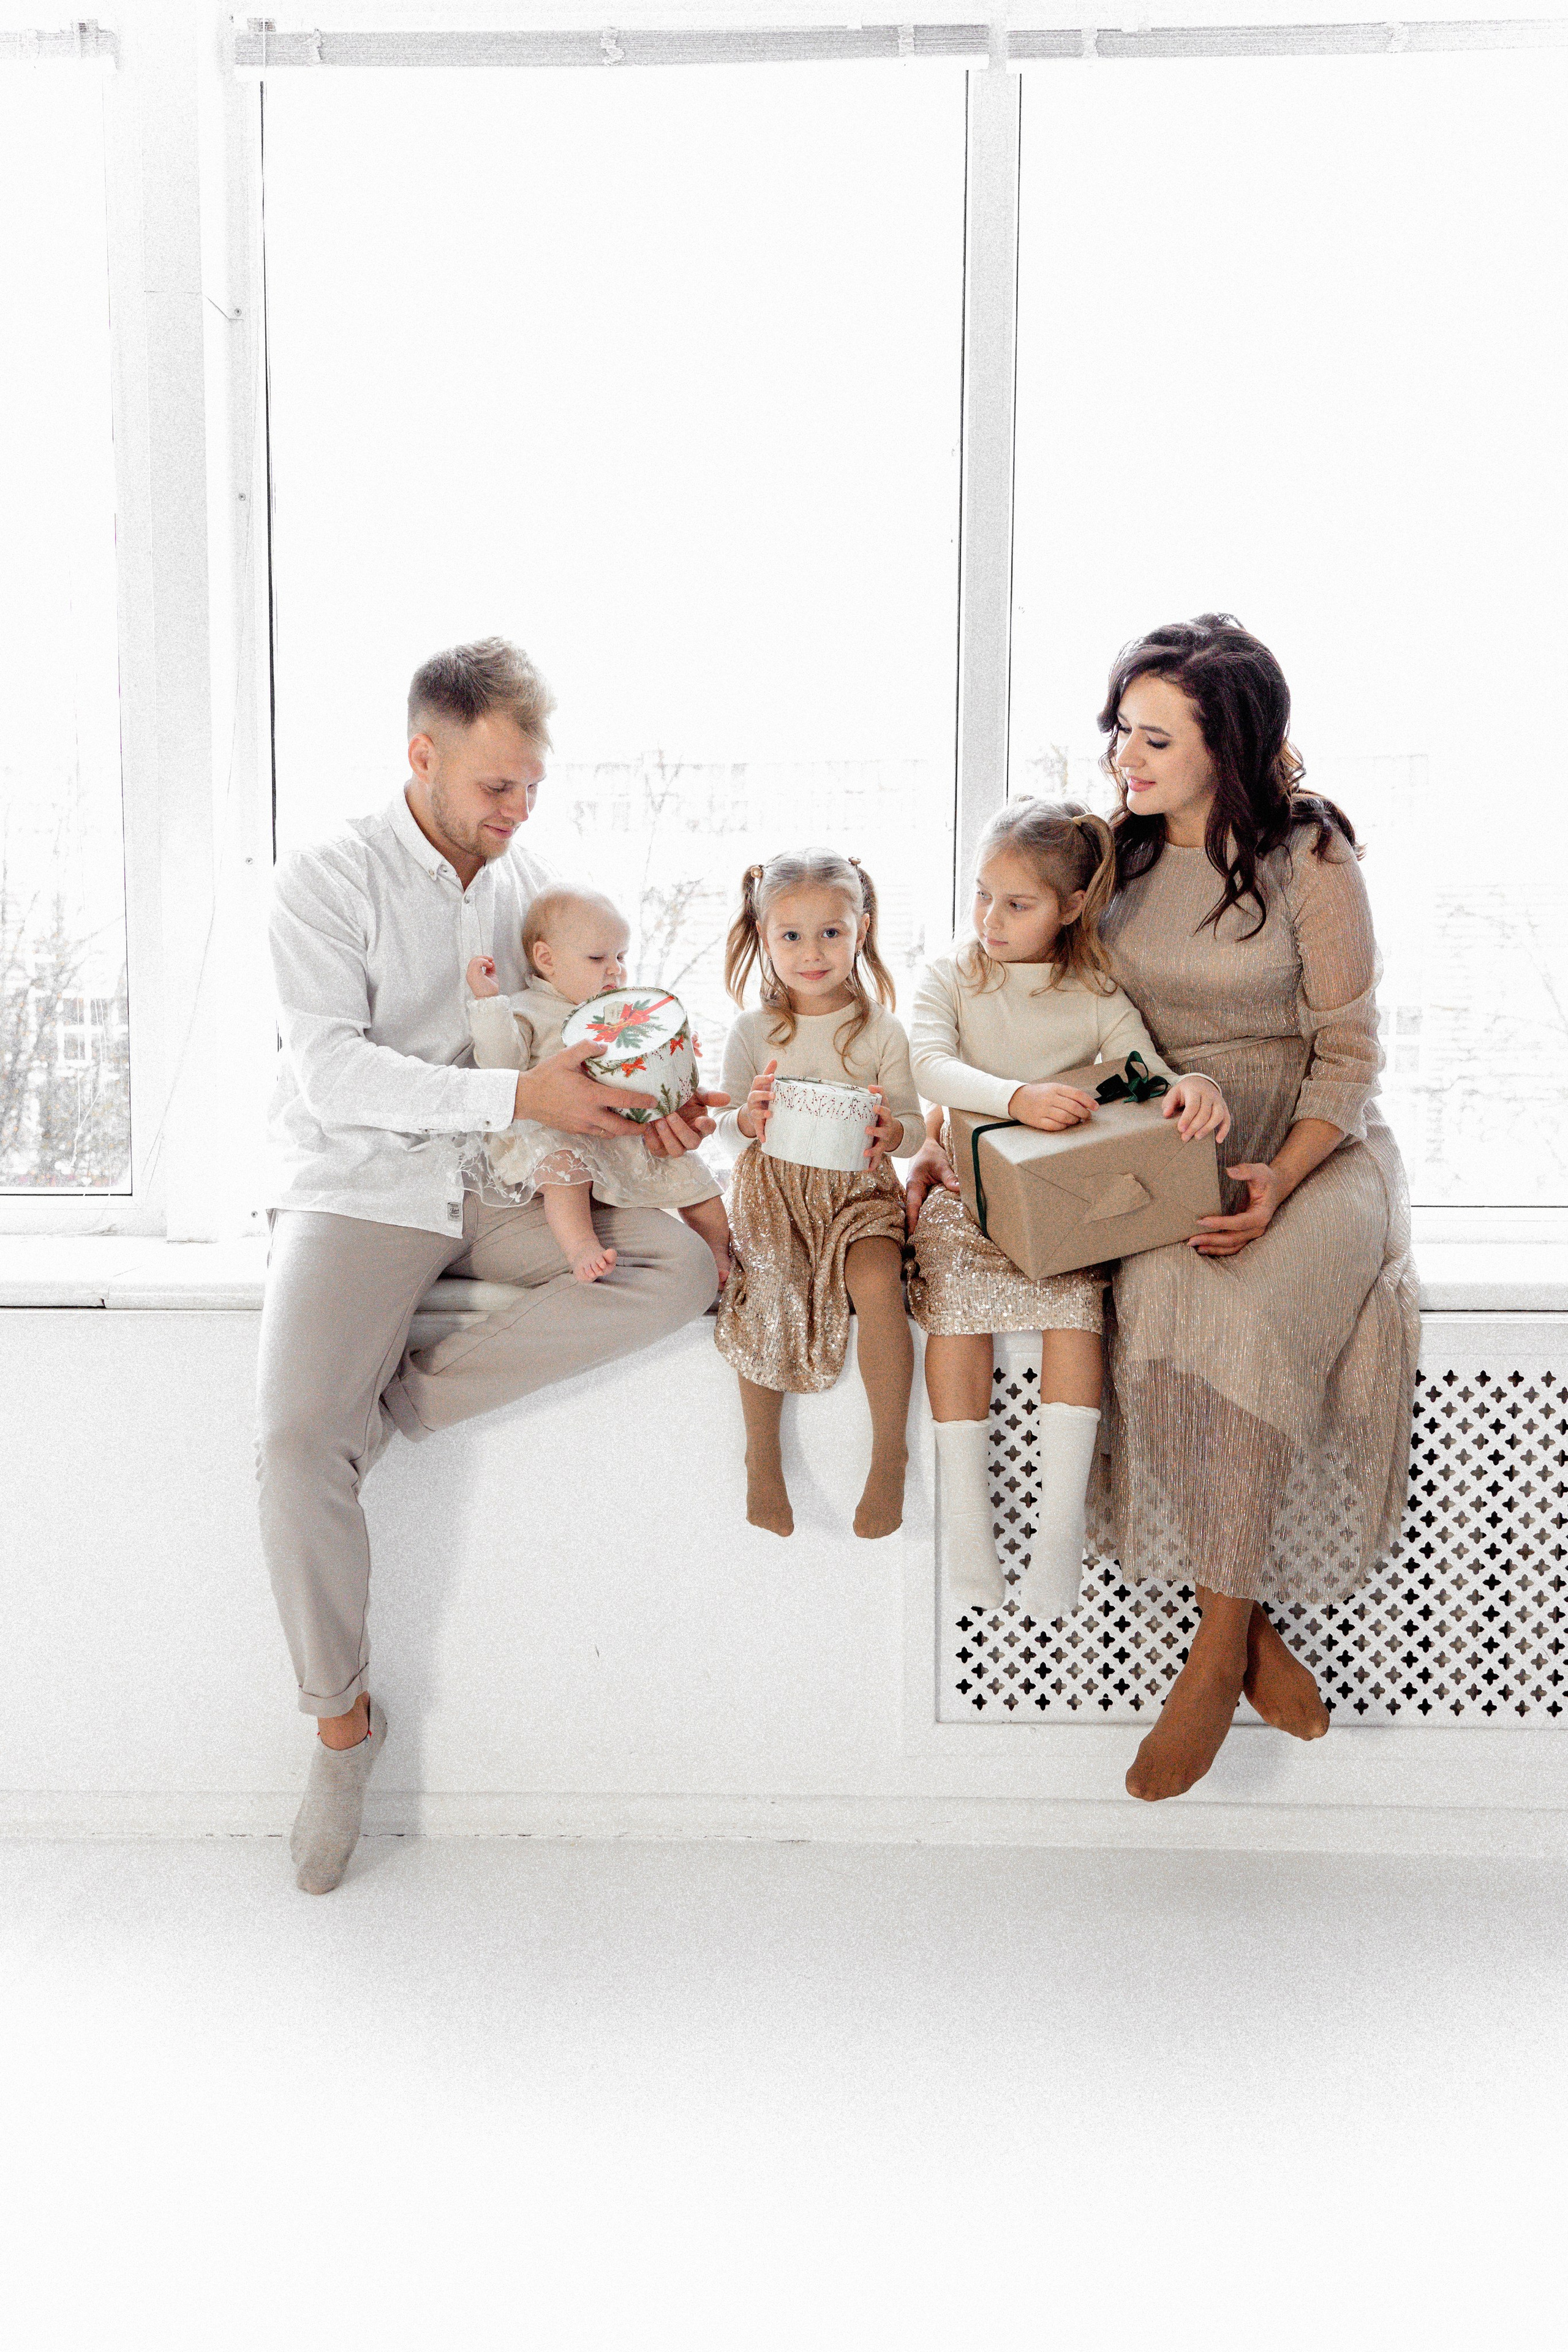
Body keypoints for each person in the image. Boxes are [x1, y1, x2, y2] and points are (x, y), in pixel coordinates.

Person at [906, 614, 1418, 1803]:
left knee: (1242, 1313)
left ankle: (1211, 1651)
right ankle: (1239, 1627)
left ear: (1222, 745)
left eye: (1149, 736)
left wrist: (1276, 1180)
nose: (1120, 760)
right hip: (1150, 1141)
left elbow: (1347, 1059)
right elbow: (1002, 989)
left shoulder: (1310, 855)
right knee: (1166, 1302)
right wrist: (952, 1136)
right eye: (1117, 732)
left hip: (1307, 1146)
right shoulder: (1108, 852)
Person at [255, 638, 724, 1894]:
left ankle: (399, 1403)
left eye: (529, 788)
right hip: (366, 1184)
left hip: (518, 1177)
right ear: (423, 757)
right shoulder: (328, 877)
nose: (516, 814)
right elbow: (329, 1073)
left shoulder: (535, 893)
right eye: (493, 789)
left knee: (678, 1274)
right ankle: (342, 1726)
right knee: (297, 1444)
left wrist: (650, 1107)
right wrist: (516, 1090)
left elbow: (593, 1041)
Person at [907, 799, 1228, 1623]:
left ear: (1073, 905)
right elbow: (931, 1067)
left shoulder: (1090, 988)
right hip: (968, 1197)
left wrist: (1192, 1087)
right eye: (982, 895)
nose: (990, 919)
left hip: (1059, 1209)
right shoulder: (952, 974)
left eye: (1017, 904)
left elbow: (1143, 1070)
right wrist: (1017, 1097)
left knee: (1079, 1311)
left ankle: (1058, 1535)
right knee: (956, 1315)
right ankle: (966, 1522)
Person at [714, 849, 923, 1541]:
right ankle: (760, 1457)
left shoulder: (881, 1030)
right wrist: (747, 1118)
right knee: (768, 1285)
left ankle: (887, 1453)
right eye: (791, 936)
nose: (812, 952)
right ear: (765, 939)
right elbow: (727, 1129)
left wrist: (892, 1130)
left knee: (877, 1281)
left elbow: (913, 1128)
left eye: (831, 932)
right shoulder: (753, 1032)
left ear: (859, 932)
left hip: (857, 1194)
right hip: (774, 1194)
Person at [464, 881, 732, 1290]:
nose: (615, 969)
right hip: (556, 1131)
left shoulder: (621, 1011)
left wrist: (673, 1054)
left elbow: (642, 1066)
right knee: (564, 1169)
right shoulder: (528, 1009)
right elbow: (502, 1064)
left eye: (621, 957)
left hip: (618, 1132)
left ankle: (719, 1252)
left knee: (694, 1177)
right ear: (546, 959)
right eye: (597, 958)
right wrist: (489, 1004)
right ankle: (580, 1246)